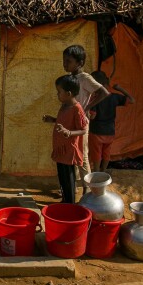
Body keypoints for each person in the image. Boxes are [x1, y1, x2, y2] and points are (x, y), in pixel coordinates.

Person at [62, 45, 109, 178]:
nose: (65, 64)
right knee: (72, 154)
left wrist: (86, 107)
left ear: (80, 63)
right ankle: (74, 185)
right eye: (64, 60)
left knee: (82, 156)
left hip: (80, 121)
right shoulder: (69, 78)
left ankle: (87, 188)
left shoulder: (85, 78)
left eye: (68, 61)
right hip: (70, 120)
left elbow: (104, 93)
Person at [42, 74, 88, 204]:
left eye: (59, 92)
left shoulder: (77, 109)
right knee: (62, 177)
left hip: (69, 150)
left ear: (68, 93)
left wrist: (69, 132)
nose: (57, 95)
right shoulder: (64, 105)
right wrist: (53, 120)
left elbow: (83, 129)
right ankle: (65, 201)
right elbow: (65, 122)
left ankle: (70, 204)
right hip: (61, 149)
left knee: (68, 178)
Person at [89, 71, 135, 172]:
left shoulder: (95, 99)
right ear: (107, 82)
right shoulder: (114, 97)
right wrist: (119, 88)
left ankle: (96, 172)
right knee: (106, 153)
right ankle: (103, 171)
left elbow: (92, 116)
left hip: (96, 131)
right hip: (110, 131)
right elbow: (132, 100)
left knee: (96, 153)